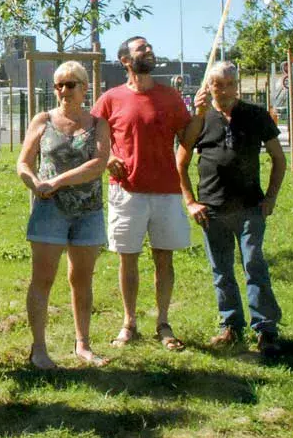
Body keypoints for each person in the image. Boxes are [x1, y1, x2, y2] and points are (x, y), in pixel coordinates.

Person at [91, 36, 206, 351]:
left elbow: (187, 138)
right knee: (127, 259)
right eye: (142, 48)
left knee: (163, 258)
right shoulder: (110, 99)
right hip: (126, 193)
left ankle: (163, 323)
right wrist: (107, 159)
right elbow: (91, 139)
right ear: (126, 60)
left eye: (150, 47)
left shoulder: (170, 97)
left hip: (167, 191)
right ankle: (129, 323)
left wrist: (199, 114)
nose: (150, 51)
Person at [177, 61, 286, 355]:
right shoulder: (200, 119)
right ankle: (231, 326)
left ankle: (266, 330)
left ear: (236, 86)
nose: (223, 90)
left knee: (254, 264)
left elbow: (279, 158)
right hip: (211, 209)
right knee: (222, 270)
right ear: (208, 87)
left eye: (228, 84)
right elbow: (181, 162)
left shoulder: (255, 115)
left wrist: (271, 197)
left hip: (250, 206)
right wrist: (190, 201)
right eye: (217, 84)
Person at [17, 62, 111, 368]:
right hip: (49, 211)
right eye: (58, 85)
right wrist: (34, 183)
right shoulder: (42, 121)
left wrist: (57, 181)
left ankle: (83, 344)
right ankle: (39, 348)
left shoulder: (98, 124)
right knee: (42, 279)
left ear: (85, 87)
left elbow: (98, 164)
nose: (63, 91)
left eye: (70, 84)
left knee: (81, 279)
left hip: (87, 211)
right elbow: (24, 162)